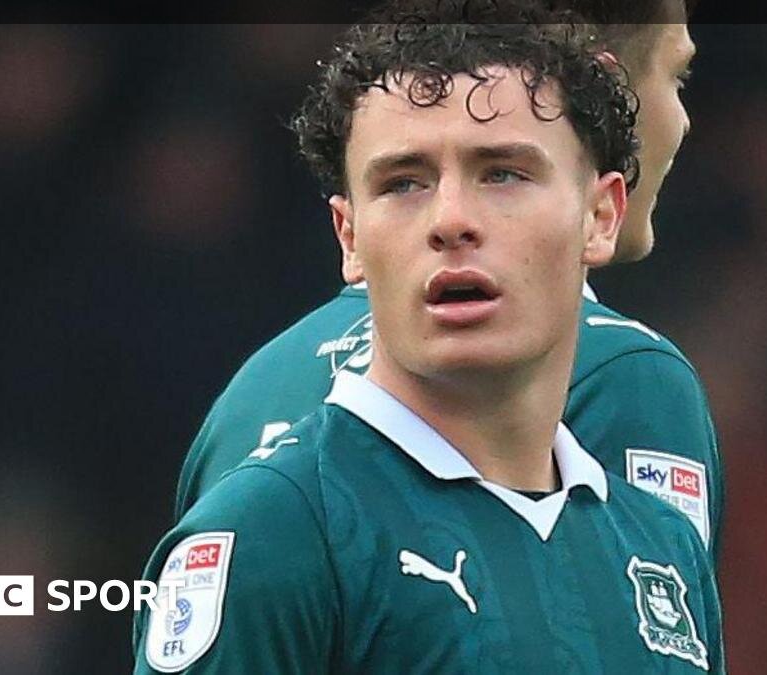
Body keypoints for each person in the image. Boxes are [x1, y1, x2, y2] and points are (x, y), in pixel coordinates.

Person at [133, 6, 724, 673]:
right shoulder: (269, 532)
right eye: (404, 183)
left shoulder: (659, 543)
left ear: (602, 213)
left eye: (502, 173)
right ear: (349, 237)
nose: (450, 219)